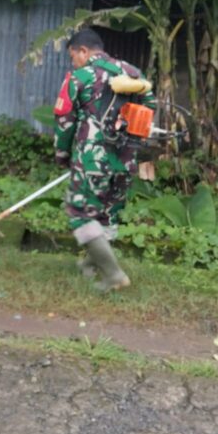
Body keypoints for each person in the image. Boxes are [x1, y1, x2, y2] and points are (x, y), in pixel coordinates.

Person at [53, 28, 155, 291]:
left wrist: (62, 154)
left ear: (83, 51)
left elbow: (64, 119)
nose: (73, 62)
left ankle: (114, 275)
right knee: (106, 214)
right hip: (125, 160)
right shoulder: (133, 73)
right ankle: (91, 264)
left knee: (80, 214)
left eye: (73, 56)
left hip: (92, 160)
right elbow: (150, 107)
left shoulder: (80, 77)